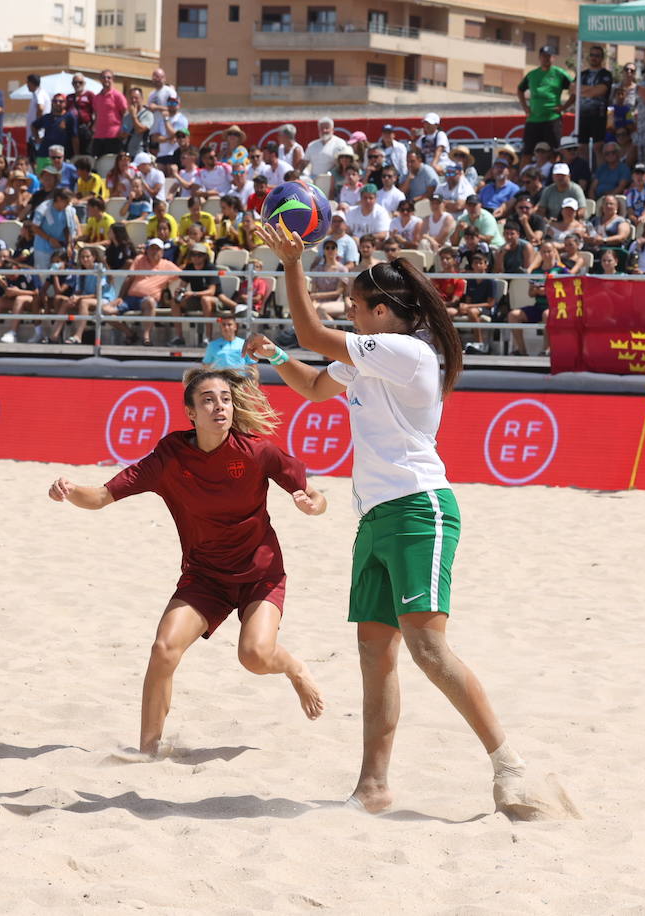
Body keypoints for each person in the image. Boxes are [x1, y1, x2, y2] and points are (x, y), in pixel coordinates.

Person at [246, 219, 538, 818]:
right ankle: (374, 787)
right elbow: (313, 386)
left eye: (355, 305)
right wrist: (276, 355)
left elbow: (313, 331)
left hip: (419, 508)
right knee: (374, 653)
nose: (349, 313)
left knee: (429, 650)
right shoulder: (373, 359)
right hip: (376, 515)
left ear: (382, 312)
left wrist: (294, 266)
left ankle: (510, 767)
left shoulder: (407, 353)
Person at [48, 368, 328, 756]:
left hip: (259, 574)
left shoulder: (258, 452)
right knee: (164, 648)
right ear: (191, 413)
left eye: (226, 399)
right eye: (208, 400)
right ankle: (147, 750)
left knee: (255, 655)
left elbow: (317, 496)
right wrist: (70, 490)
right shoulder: (170, 457)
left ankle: (296, 670)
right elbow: (99, 497)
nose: (220, 407)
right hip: (205, 577)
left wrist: (311, 507)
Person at [517, 45, 573, 159]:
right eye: (543, 56)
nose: (546, 59)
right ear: (539, 57)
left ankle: (555, 173)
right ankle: (523, 175)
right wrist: (525, 107)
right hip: (533, 119)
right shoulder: (532, 74)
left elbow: (575, 89)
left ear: (553, 58)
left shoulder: (559, 73)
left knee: (555, 152)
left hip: (552, 118)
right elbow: (520, 89)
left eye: (548, 56)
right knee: (527, 152)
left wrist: (564, 107)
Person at [577, 45, 612, 152]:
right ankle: (585, 169)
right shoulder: (582, 74)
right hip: (582, 116)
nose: (594, 58)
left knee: (598, 148)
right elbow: (572, 90)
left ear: (602, 58)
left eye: (597, 56)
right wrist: (593, 90)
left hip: (598, 116)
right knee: (582, 148)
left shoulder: (606, 74)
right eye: (592, 55)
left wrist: (583, 90)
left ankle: (599, 169)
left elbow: (601, 91)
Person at [90, 69, 129, 158]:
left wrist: (124, 130)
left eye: (109, 77)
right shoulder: (96, 97)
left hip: (114, 136)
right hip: (98, 136)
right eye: (103, 77)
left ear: (113, 79)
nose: (106, 79)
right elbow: (96, 115)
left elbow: (125, 114)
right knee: (97, 164)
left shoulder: (118, 95)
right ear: (100, 79)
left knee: (111, 163)